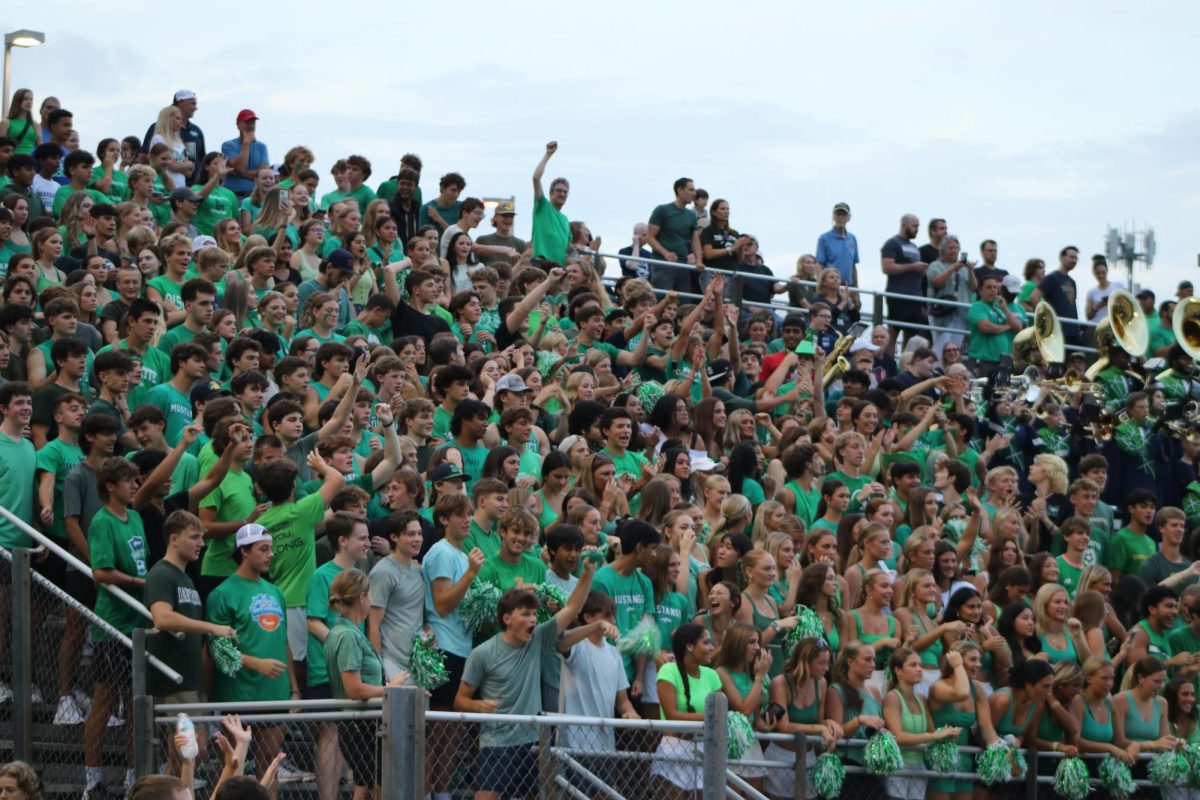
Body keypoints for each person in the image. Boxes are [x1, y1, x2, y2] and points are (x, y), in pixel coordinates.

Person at [454, 559, 596, 800]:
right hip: (497, 742)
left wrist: (588, 573)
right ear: (507, 619)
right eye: (526, 614)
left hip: (532, 740)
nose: (533, 620)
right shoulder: (482, 653)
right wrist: (479, 706)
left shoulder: (538, 638)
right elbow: (460, 700)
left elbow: (572, 608)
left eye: (534, 614)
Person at [145, 510, 237, 777]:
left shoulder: (186, 577)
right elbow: (162, 618)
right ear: (174, 539)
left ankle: (174, 790)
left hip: (191, 678)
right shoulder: (162, 574)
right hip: (172, 679)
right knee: (189, 749)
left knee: (191, 751)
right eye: (194, 537)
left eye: (201, 538)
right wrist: (212, 627)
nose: (201, 544)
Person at [206, 523, 297, 789]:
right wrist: (256, 663)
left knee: (270, 764)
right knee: (236, 766)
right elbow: (218, 650)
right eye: (263, 549)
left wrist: (294, 689)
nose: (270, 555)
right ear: (243, 551)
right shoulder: (222, 593)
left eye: (271, 549)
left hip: (275, 693)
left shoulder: (275, 591)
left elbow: (284, 642)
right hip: (239, 696)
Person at [324, 569, 408, 800]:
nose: (372, 599)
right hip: (361, 726)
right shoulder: (348, 636)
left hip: (362, 724)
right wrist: (391, 689)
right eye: (369, 594)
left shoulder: (347, 632)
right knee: (381, 788)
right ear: (362, 598)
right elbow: (354, 689)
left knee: (366, 785)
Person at [367, 510, 425, 682]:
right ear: (394, 537)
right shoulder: (383, 572)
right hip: (391, 662)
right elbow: (373, 625)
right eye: (411, 534)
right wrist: (379, 669)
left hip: (417, 663)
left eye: (420, 533)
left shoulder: (418, 569)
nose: (418, 539)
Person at [646, 177, 704, 294]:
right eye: (691, 190)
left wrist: (699, 260)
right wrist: (666, 253)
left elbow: (695, 240)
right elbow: (649, 237)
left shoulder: (691, 215)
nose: (694, 193)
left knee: (684, 302)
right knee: (662, 298)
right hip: (663, 263)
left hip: (683, 264)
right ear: (680, 190)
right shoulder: (662, 210)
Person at [881, 214, 928, 351]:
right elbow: (887, 267)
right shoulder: (892, 243)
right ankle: (888, 365)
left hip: (915, 296)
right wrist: (913, 266)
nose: (917, 229)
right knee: (893, 333)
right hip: (898, 294)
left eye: (918, 226)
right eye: (914, 226)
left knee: (911, 336)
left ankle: (905, 366)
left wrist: (921, 271)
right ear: (904, 225)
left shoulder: (914, 247)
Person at [141, 90, 205, 183]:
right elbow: (168, 164)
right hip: (163, 185)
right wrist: (180, 165)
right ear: (181, 102)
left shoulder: (193, 133)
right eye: (192, 104)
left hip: (187, 187)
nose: (195, 108)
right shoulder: (157, 135)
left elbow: (192, 166)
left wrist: (178, 165)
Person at [1029, 245, 1081, 347]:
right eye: (1071, 257)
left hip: (1073, 330)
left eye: (1076, 258)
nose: (1074, 260)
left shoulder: (1072, 281)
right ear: (1062, 257)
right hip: (1057, 330)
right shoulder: (1052, 278)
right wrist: (1047, 318)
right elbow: (1034, 297)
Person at [530, 141, 570, 266]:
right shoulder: (542, 206)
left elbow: (569, 247)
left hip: (559, 267)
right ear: (551, 193)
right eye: (559, 190)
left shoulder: (565, 220)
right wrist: (548, 154)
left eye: (565, 192)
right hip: (541, 262)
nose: (562, 194)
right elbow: (536, 178)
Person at [221, 110, 269, 199]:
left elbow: (263, 173)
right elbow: (240, 167)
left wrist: (238, 172)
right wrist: (246, 143)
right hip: (234, 195)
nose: (250, 125)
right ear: (238, 124)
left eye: (253, 122)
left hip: (255, 196)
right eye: (247, 122)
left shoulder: (262, 146)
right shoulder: (228, 145)